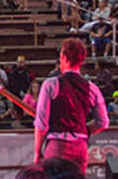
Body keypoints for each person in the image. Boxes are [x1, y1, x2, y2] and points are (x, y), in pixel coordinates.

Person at [31, 37, 108, 169]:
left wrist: (37, 153)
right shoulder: (92, 88)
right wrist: (84, 129)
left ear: (64, 58)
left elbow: (41, 125)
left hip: (57, 145)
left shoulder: (50, 84)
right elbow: (103, 122)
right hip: (81, 146)